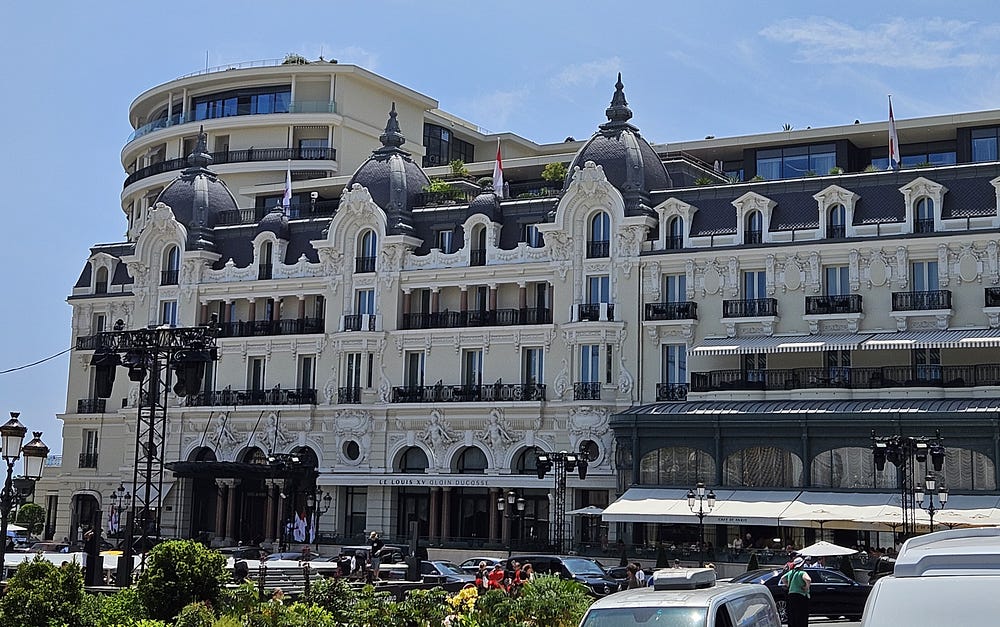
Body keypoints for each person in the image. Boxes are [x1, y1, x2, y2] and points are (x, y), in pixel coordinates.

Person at [779, 557, 811, 627]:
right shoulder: (802, 572)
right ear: (801, 565)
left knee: (792, 615)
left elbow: (782, 578)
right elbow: (808, 579)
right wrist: (806, 587)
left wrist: (788, 585)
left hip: (791, 596)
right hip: (801, 596)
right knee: (802, 616)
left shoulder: (791, 572)